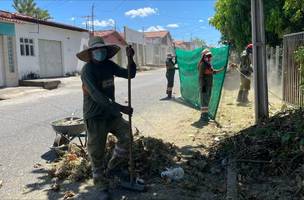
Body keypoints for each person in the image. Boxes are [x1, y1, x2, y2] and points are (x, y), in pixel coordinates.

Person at [76, 36, 136, 200]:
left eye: (102, 50)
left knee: (126, 136)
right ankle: (101, 186)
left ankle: (113, 167)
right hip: (95, 116)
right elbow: (96, 96)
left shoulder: (109, 65)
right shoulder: (87, 70)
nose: (100, 53)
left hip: (111, 114)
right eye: (96, 51)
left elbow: (130, 74)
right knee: (97, 153)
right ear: (91, 53)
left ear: (105, 51)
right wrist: (121, 107)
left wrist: (131, 58)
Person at [198, 49, 224, 123]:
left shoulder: (208, 64)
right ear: (204, 56)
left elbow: (212, 72)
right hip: (204, 86)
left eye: (210, 56)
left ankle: (205, 116)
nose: (209, 57)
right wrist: (203, 87)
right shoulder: (202, 64)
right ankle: (203, 117)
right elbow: (207, 73)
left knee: (207, 100)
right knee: (204, 101)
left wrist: (222, 69)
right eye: (208, 56)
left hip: (208, 85)